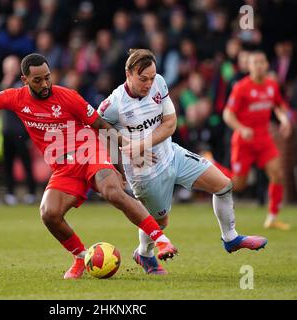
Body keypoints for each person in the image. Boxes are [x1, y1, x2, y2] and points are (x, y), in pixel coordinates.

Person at [0, 53, 178, 279]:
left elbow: (102, 126)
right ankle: (79, 257)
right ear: (24, 80)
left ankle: (161, 240)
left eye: (47, 77)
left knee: (113, 192)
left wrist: (127, 155)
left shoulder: (68, 97)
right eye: (38, 80)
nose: (45, 84)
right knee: (48, 213)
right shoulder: (15, 98)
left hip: (90, 153)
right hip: (64, 168)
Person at [98, 49, 268, 276]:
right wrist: (122, 160)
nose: (149, 83)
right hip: (144, 173)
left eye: (151, 77)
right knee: (160, 222)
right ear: (128, 73)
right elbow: (100, 133)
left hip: (173, 154)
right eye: (143, 79)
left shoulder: (159, 83)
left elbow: (170, 124)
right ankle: (144, 254)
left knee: (224, 185)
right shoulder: (113, 104)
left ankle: (231, 238)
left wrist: (142, 145)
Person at [223, 51, 292, 230]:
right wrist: (242, 128)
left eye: (262, 62)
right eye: (256, 63)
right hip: (244, 141)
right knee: (238, 184)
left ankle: (272, 217)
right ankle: (209, 162)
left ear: (267, 64)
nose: (260, 65)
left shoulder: (272, 85)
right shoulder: (241, 87)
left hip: (264, 139)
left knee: (277, 174)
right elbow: (227, 114)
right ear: (249, 66)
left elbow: (279, 106)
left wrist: (284, 120)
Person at [0, 55, 37, 205]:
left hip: (21, 130)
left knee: (26, 163)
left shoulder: (22, 84)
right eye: (8, 66)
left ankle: (32, 192)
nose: (10, 69)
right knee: (7, 164)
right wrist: (4, 83)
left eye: (13, 66)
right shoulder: (3, 84)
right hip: (6, 131)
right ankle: (10, 193)